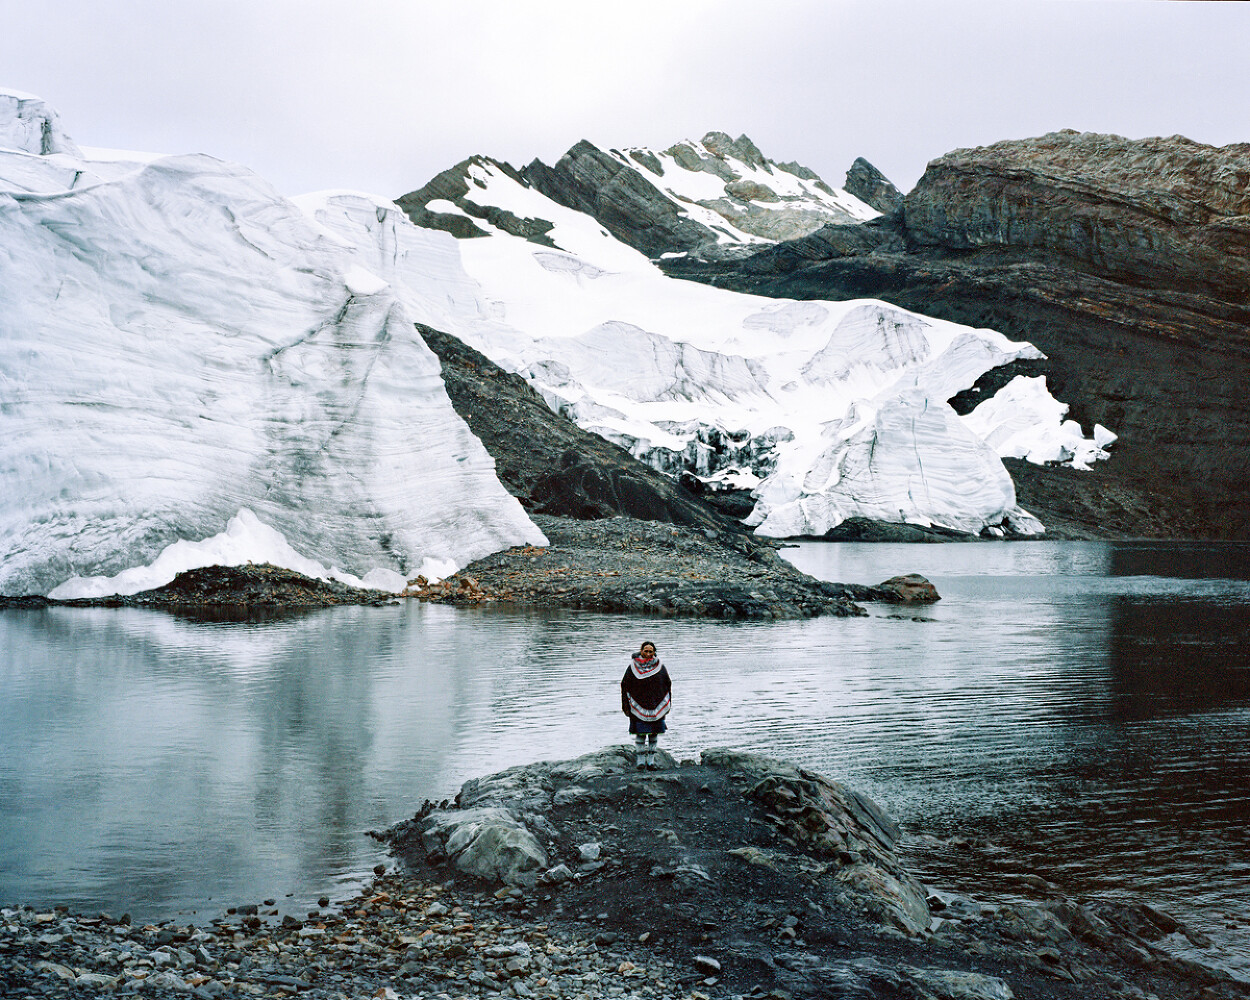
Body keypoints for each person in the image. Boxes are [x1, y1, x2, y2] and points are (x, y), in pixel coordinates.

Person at [621, 640, 671, 770]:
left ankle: (651, 761)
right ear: (641, 651)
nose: (648, 653)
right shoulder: (633, 667)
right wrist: (627, 704)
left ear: (654, 652)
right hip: (638, 705)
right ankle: (640, 761)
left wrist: (665, 701)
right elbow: (625, 684)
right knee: (641, 733)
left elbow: (667, 683)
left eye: (650, 651)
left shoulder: (660, 666)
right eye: (646, 651)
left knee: (653, 733)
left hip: (656, 705)